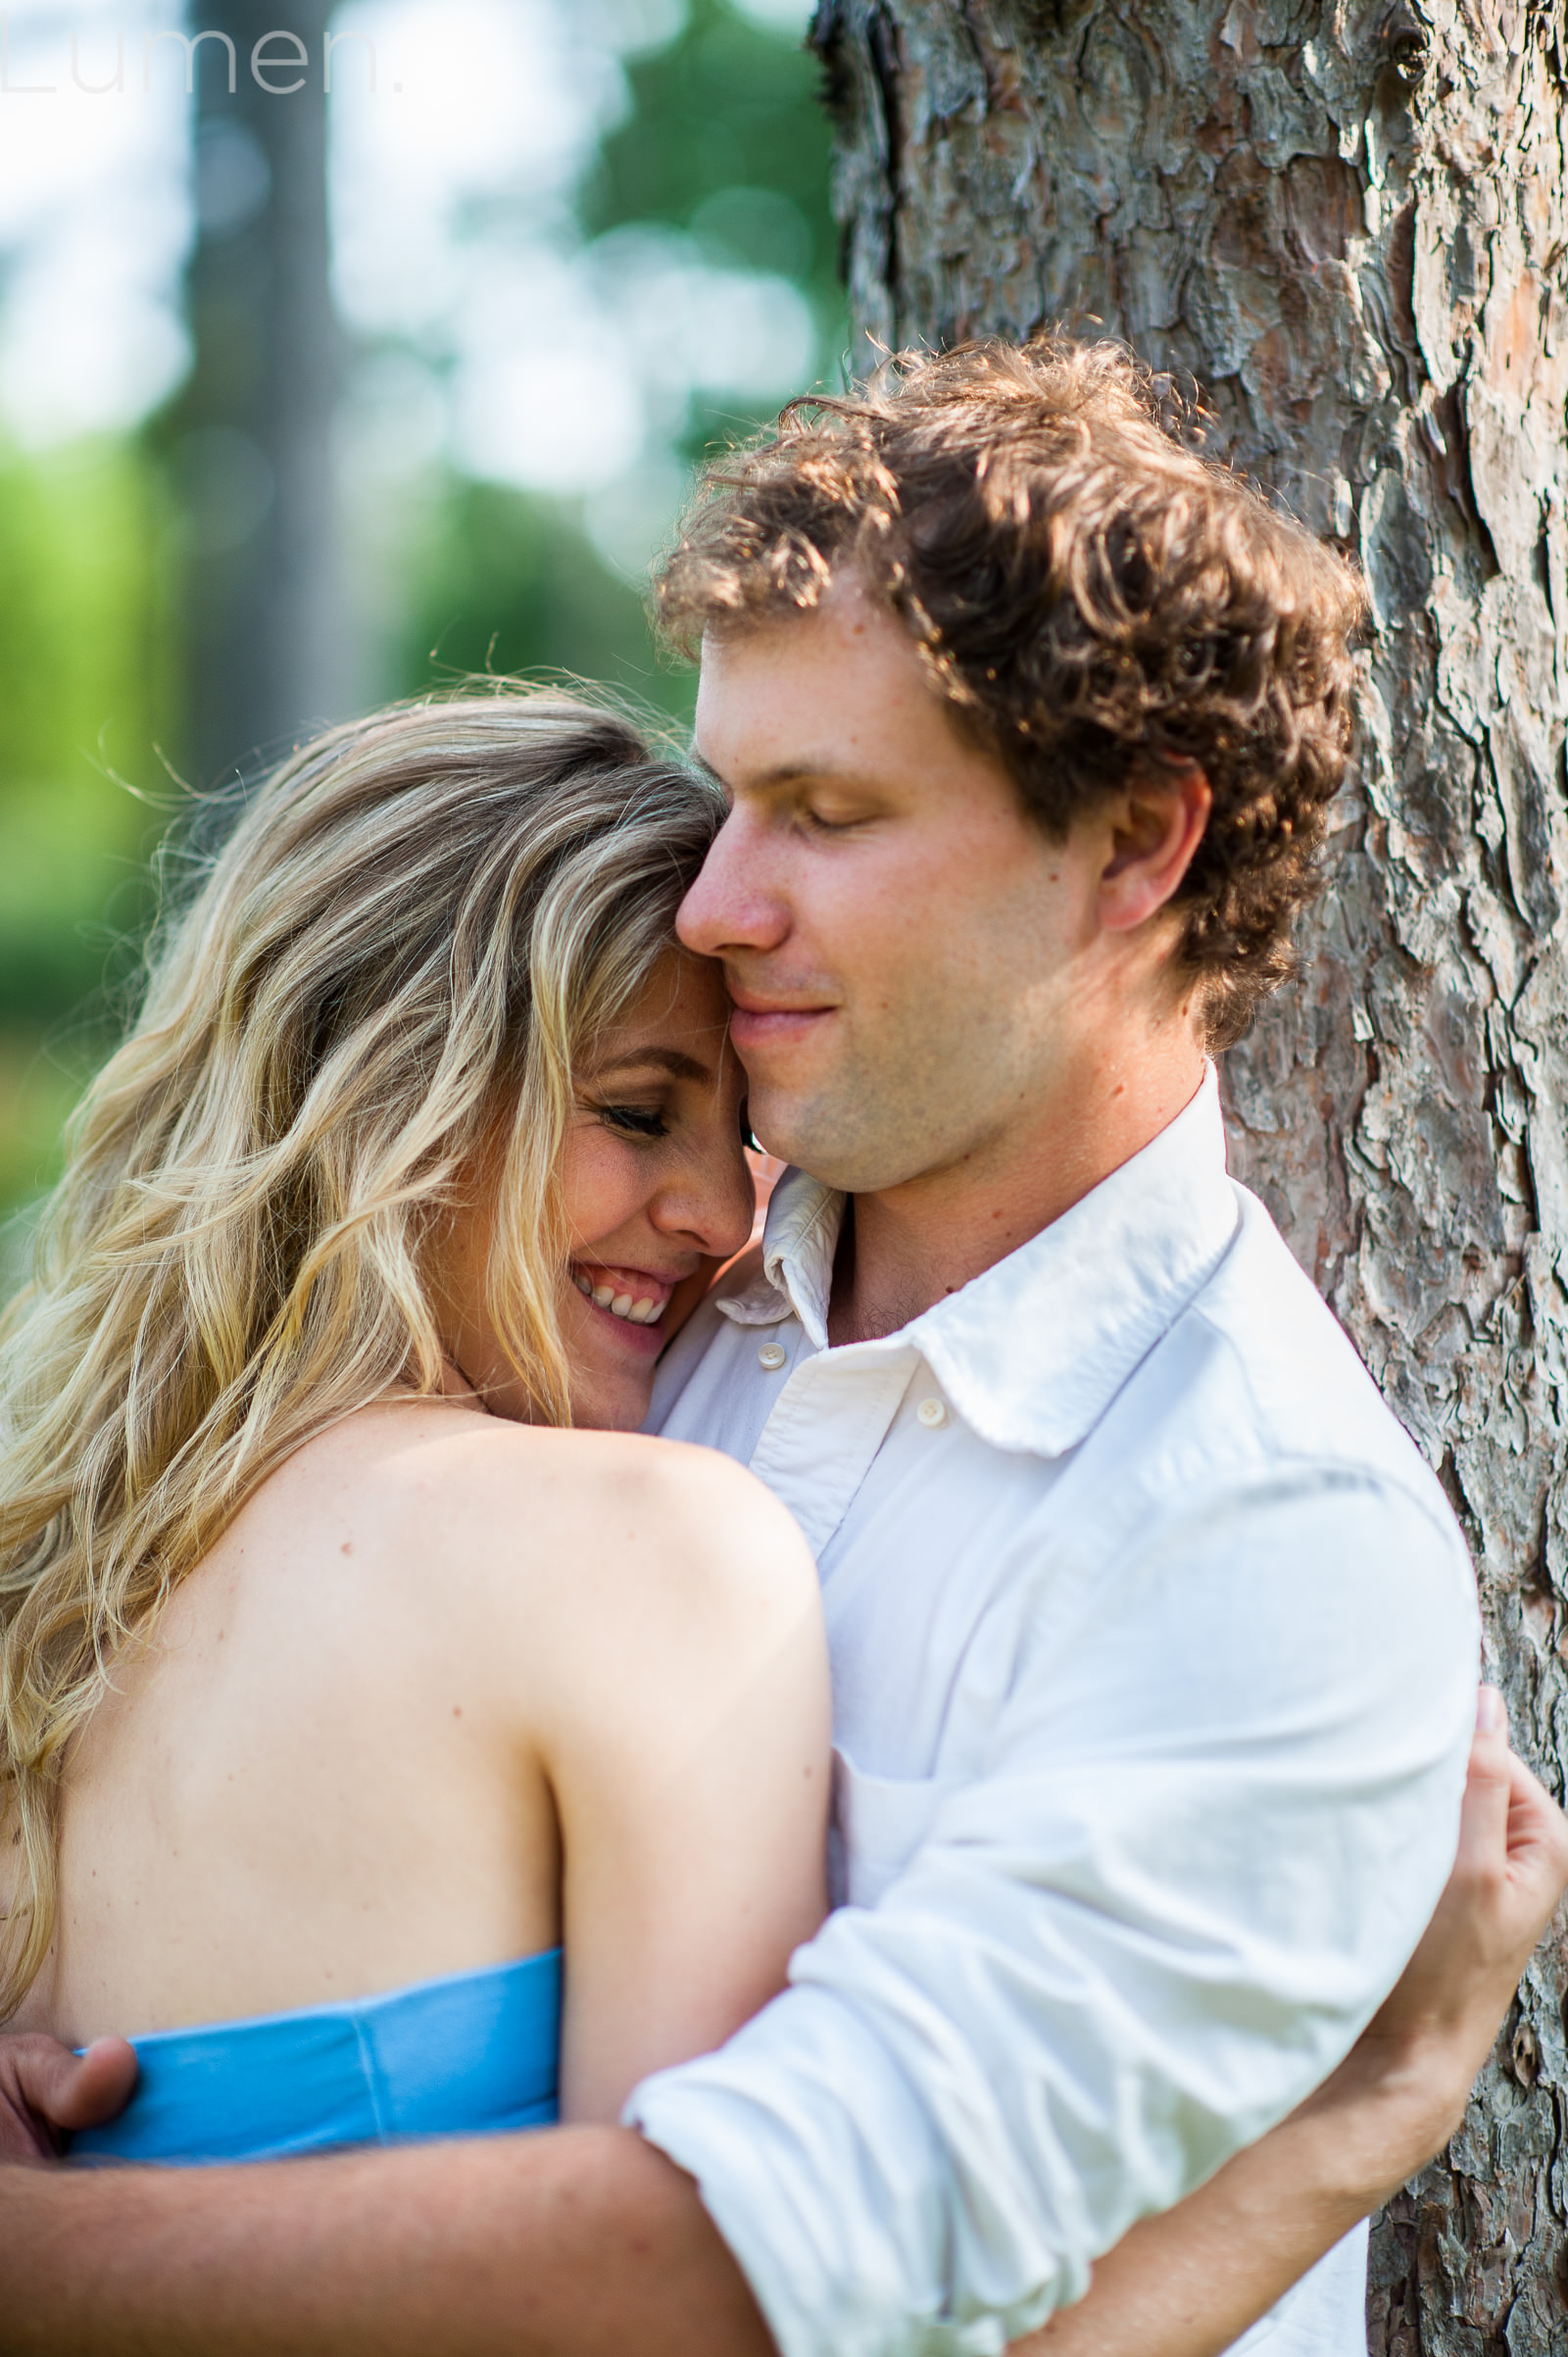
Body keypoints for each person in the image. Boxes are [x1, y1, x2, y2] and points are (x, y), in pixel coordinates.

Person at [3, 337, 1567, 2357]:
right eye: (729, 793)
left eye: (817, 813)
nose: (720, 901)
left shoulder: (1252, 1528)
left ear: (1131, 849)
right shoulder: (597, 1306)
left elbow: (752, 2274)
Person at [0, 690, 831, 2162]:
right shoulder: (653, 1551)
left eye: (747, 1141)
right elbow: (701, 2291)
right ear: (386, 1088)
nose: (718, 1216)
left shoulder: (47, 1587)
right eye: (640, 1113)